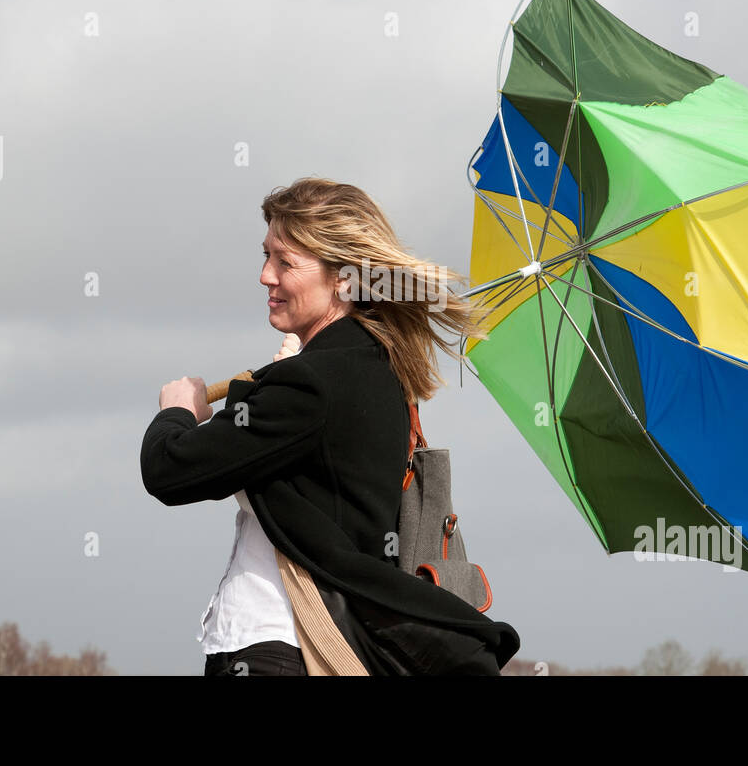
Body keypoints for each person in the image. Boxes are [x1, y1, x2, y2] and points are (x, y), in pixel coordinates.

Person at [140, 176, 520, 675]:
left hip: (276, 644)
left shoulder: (313, 384)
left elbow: (169, 470)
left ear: (343, 279)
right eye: (266, 255)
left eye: (285, 262)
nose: (265, 276)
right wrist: (276, 383)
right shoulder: (372, 370)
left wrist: (178, 412)